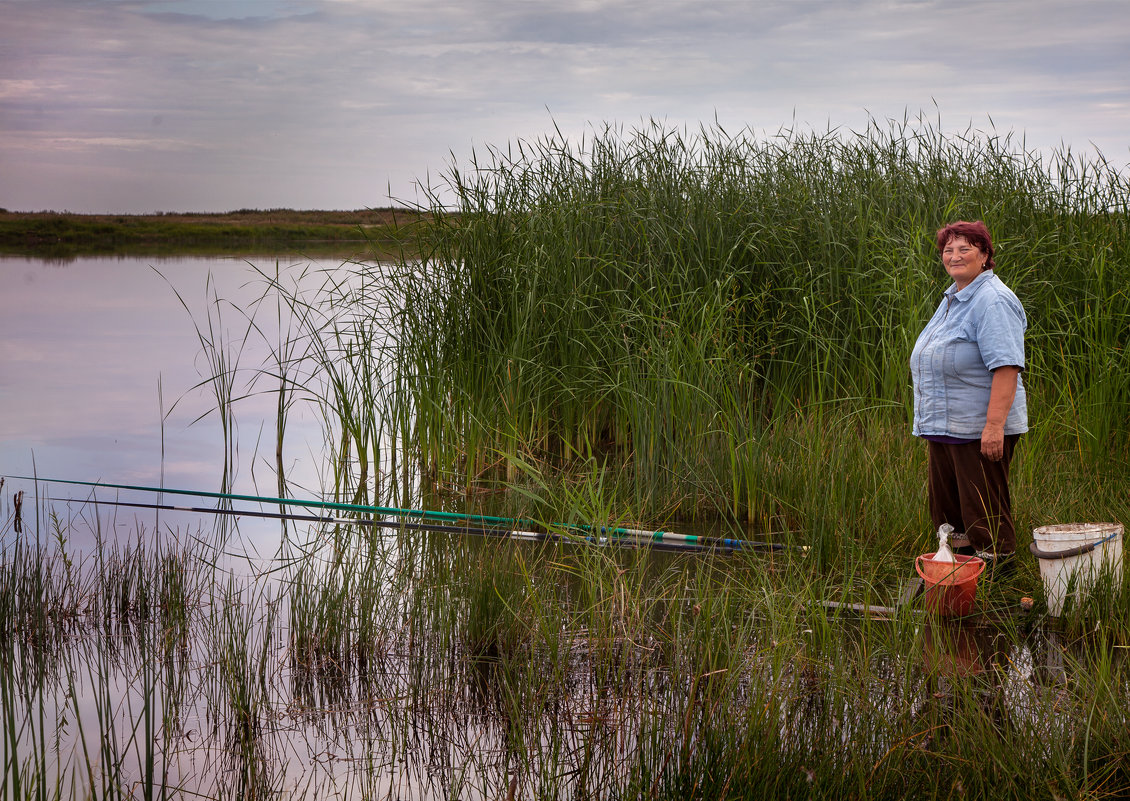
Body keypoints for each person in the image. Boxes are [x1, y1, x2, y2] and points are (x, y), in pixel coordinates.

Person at [910, 220, 1027, 573]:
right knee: (950, 511)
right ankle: (959, 571)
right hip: (946, 425)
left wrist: (994, 426)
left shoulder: (993, 300)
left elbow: (1007, 367)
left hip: (978, 427)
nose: (954, 255)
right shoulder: (955, 297)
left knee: (983, 510)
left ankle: (997, 578)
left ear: (985, 255)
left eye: (965, 249)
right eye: (948, 250)